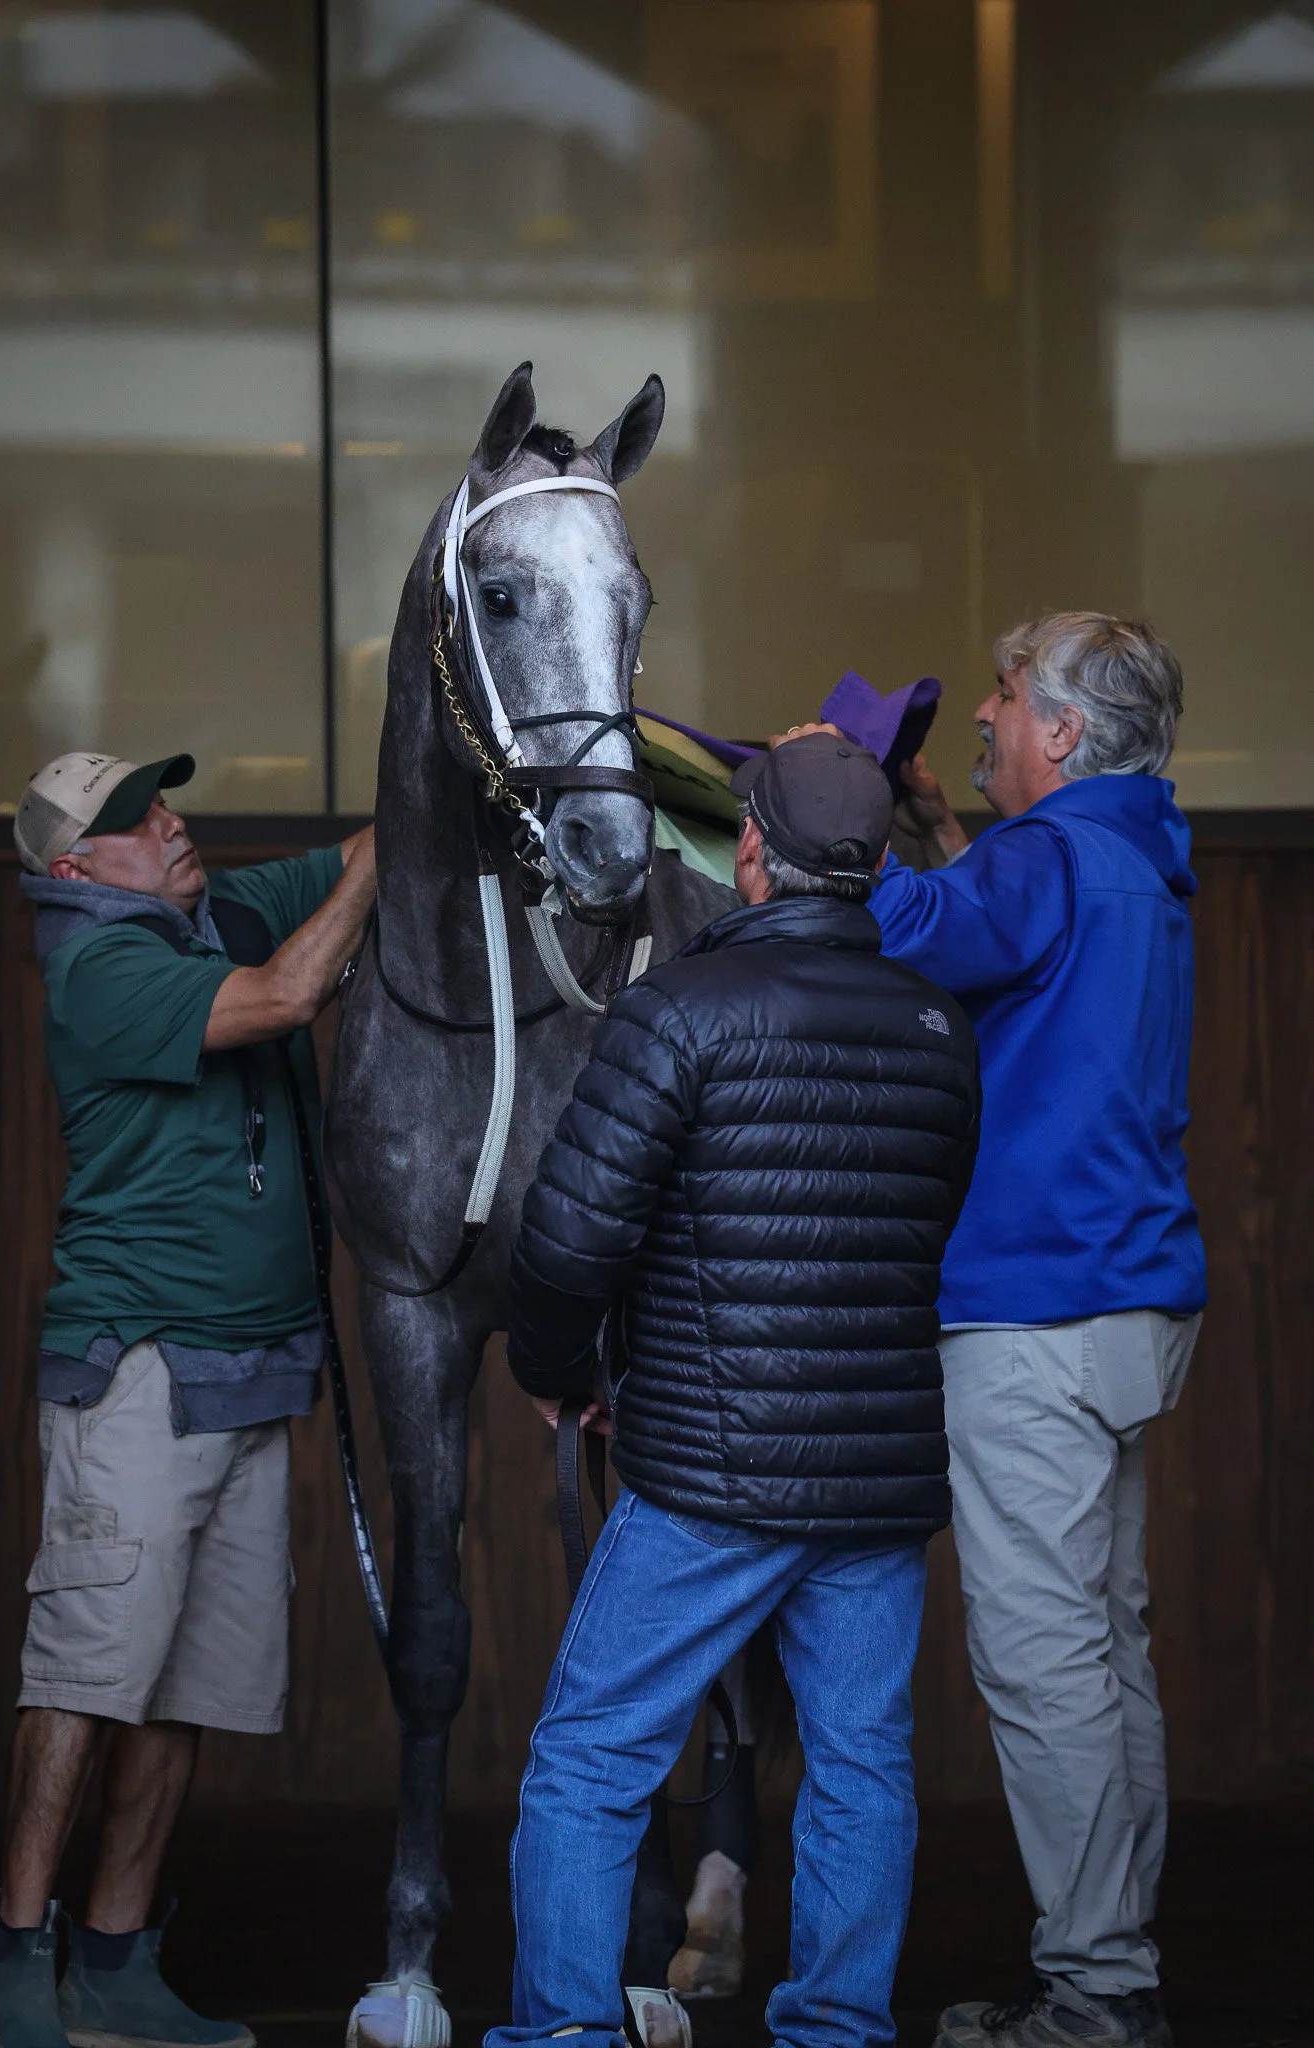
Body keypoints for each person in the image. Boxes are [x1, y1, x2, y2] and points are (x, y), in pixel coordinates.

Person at [487, 733, 981, 2048]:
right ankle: (836, 2033)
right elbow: (921, 1229)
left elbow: (569, 1241)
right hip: (876, 1476)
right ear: (868, 865)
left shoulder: (679, 1012)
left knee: (591, 1757)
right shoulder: (939, 1027)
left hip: (712, 1468)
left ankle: (562, 2037)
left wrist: (560, 1374)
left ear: (750, 850)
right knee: (862, 1770)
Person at [0, 752, 376, 2048]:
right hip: (139, 1372)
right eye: (134, 819)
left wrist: (437, 783)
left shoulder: (218, 910)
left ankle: (116, 1961)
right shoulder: (99, 966)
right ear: (75, 867)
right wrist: (381, 860)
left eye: (164, 799)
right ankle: (13, 1963)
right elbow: (291, 993)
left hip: (247, 1374)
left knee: (186, 1689)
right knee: (87, 1677)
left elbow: (365, 849)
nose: (170, 821)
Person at [855, 613, 1204, 2048]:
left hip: (1032, 1311)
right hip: (1126, 1300)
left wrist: (827, 798)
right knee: (1105, 1644)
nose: (987, 718)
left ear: (1060, 732)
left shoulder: (1047, 857)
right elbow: (1013, 946)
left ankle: (1096, 1989)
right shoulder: (1127, 857)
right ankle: (1113, 1961)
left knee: (1043, 1657)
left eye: (1005, 697)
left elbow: (905, 933)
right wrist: (943, 830)